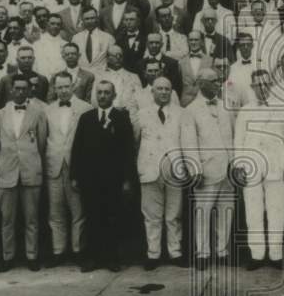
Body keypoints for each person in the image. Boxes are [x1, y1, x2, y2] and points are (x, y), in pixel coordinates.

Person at [0, 74, 49, 272]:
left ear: (29, 91)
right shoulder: (0, 114)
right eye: (17, 88)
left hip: (31, 172)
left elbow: (42, 143)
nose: (20, 91)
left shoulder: (38, 113)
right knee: (7, 219)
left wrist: (32, 160)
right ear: (11, 90)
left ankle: (32, 256)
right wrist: (1, 161)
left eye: (24, 88)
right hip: (7, 174)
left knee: (32, 218)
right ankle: (8, 257)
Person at [231, 70, 284, 269]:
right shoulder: (245, 111)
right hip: (252, 167)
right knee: (253, 211)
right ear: (252, 87)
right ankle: (257, 254)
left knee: (276, 211)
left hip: (276, 166)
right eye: (258, 85)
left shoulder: (282, 109)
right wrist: (239, 165)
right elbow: (239, 140)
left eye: (265, 84)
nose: (262, 89)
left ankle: (276, 254)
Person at [70, 79, 136, 272]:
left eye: (107, 93)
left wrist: (126, 179)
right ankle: (93, 258)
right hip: (90, 179)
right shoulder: (86, 118)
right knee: (92, 217)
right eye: (99, 92)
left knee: (113, 217)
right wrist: (74, 175)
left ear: (114, 96)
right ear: (95, 95)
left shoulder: (121, 118)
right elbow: (77, 149)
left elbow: (127, 151)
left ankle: (112, 258)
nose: (103, 96)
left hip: (114, 180)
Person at [181, 68, 236, 269]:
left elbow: (231, 137)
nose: (218, 84)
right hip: (205, 169)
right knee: (203, 212)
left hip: (227, 170)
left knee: (226, 211)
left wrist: (234, 163)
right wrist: (195, 169)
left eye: (218, 81)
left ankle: (222, 251)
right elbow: (188, 143)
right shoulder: (190, 110)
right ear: (202, 83)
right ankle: (203, 253)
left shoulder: (225, 107)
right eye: (214, 81)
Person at [133, 77, 186, 269]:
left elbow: (186, 142)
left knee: (174, 214)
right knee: (151, 215)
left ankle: (175, 252)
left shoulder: (181, 114)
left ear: (172, 92)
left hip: (174, 169)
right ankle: (153, 254)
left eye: (167, 89)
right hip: (150, 169)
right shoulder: (141, 114)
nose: (163, 92)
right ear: (152, 92)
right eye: (159, 89)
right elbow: (136, 142)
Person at [45, 72, 92, 267]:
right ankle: (58, 251)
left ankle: (78, 250)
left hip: (76, 167)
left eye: (66, 86)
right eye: (59, 87)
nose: (63, 91)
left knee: (78, 212)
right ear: (54, 89)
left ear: (73, 86)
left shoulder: (86, 108)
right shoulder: (47, 111)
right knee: (55, 213)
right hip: (53, 166)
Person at [177, 30, 214, 107]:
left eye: (196, 40)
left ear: (201, 42)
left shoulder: (210, 61)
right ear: (188, 42)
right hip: (185, 103)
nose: (193, 42)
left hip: (204, 102)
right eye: (191, 40)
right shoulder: (181, 62)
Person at [72, 7, 115, 72]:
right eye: (87, 19)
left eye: (92, 18)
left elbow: (113, 60)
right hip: (82, 76)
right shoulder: (76, 38)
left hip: (101, 75)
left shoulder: (108, 38)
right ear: (82, 20)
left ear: (97, 19)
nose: (89, 21)